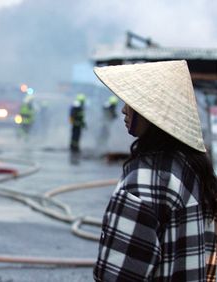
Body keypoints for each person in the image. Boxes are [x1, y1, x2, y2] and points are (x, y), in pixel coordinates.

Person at [93, 60, 217, 281]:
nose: (123, 108)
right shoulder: (197, 171)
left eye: (132, 102)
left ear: (151, 112)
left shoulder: (143, 182)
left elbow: (118, 275)